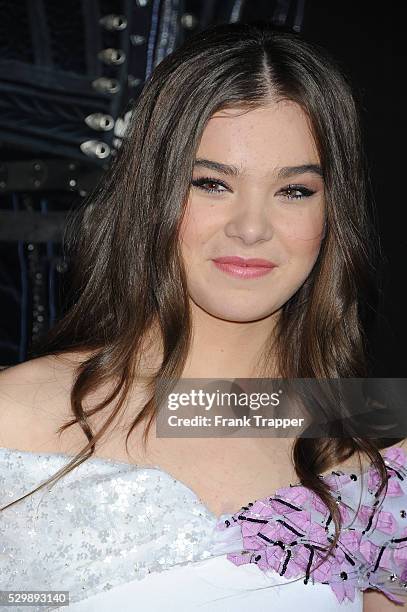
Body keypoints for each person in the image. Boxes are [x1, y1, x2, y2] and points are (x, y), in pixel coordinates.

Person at [0, 20, 406, 612]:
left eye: (294, 190)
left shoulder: (368, 449)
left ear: (333, 213)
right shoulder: (16, 420)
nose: (250, 227)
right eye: (212, 183)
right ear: (154, 192)